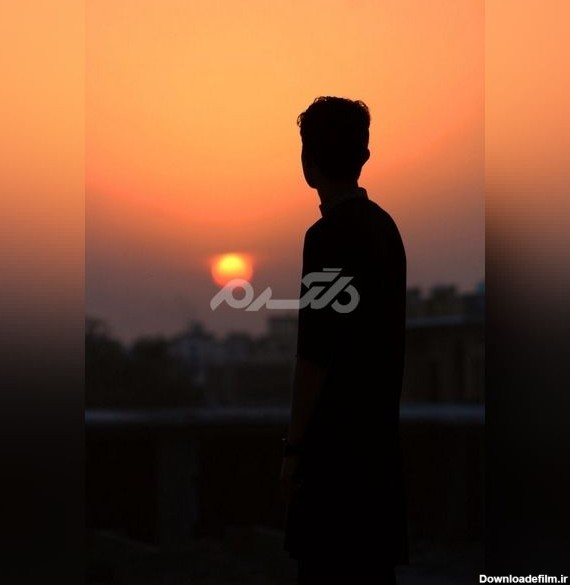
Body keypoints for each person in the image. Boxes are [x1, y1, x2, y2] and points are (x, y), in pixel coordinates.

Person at [280, 96, 409, 584]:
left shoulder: (326, 236)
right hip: (377, 458)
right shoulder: (385, 229)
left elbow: (314, 355)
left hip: (333, 465)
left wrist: (294, 451)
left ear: (307, 161)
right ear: (364, 156)